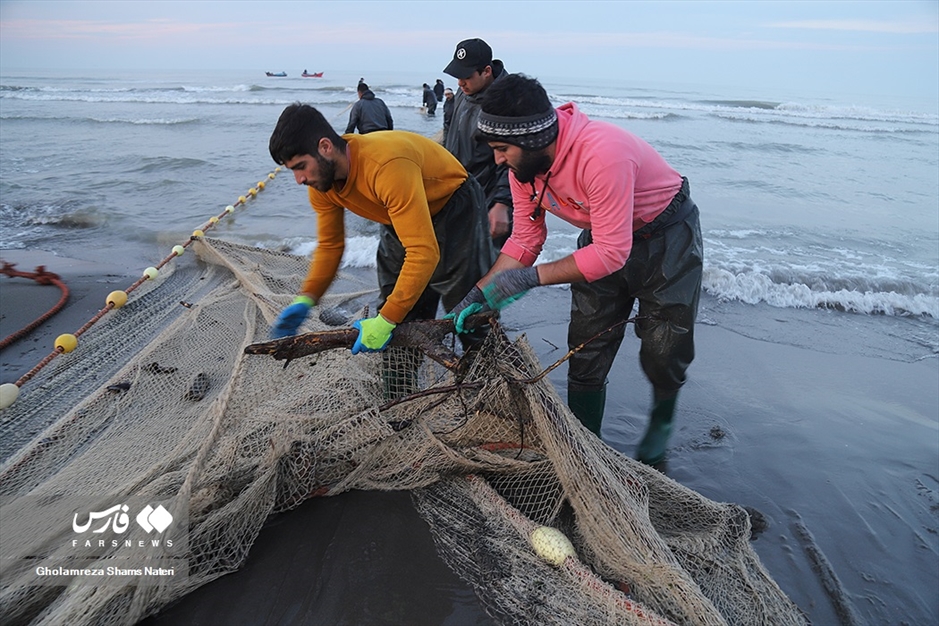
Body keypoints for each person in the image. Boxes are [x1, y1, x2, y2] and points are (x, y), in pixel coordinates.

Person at [450, 74, 704, 466]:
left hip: (666, 237)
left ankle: (660, 425)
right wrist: (482, 291)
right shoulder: (524, 170)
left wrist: (529, 278)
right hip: (602, 239)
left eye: (502, 149)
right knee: (586, 346)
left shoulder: (601, 152)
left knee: (664, 349)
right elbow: (524, 241)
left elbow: (610, 254)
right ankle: (587, 447)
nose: (497, 159)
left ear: (532, 138)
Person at [267, 103, 494, 370]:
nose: (298, 179)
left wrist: (386, 319)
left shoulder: (384, 165)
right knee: (398, 308)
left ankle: (486, 378)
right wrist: (307, 297)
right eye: (292, 170)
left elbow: (423, 252)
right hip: (396, 214)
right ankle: (400, 392)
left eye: (300, 166)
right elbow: (330, 246)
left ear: (325, 147)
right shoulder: (321, 183)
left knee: (465, 307)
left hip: (454, 204)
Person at [442, 37, 513, 249]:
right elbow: (451, 129)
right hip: (458, 193)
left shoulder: (505, 103)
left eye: (465, 76)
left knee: (488, 270)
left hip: (489, 201)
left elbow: (513, 160)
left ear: (487, 71)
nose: (459, 82)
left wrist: (502, 203)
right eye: (457, 75)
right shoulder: (464, 91)